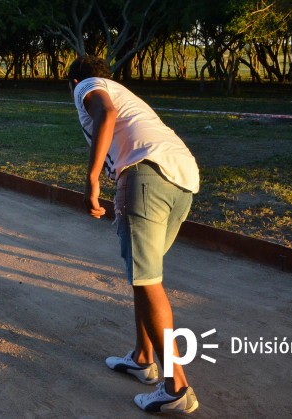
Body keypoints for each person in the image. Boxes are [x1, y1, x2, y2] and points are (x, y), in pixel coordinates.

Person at [68, 55, 200, 414]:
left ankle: (176, 386)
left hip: (144, 174)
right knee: (146, 276)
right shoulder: (124, 91)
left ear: (74, 82)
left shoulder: (87, 85)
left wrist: (92, 178)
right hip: (183, 179)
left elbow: (105, 114)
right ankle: (143, 358)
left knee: (146, 280)